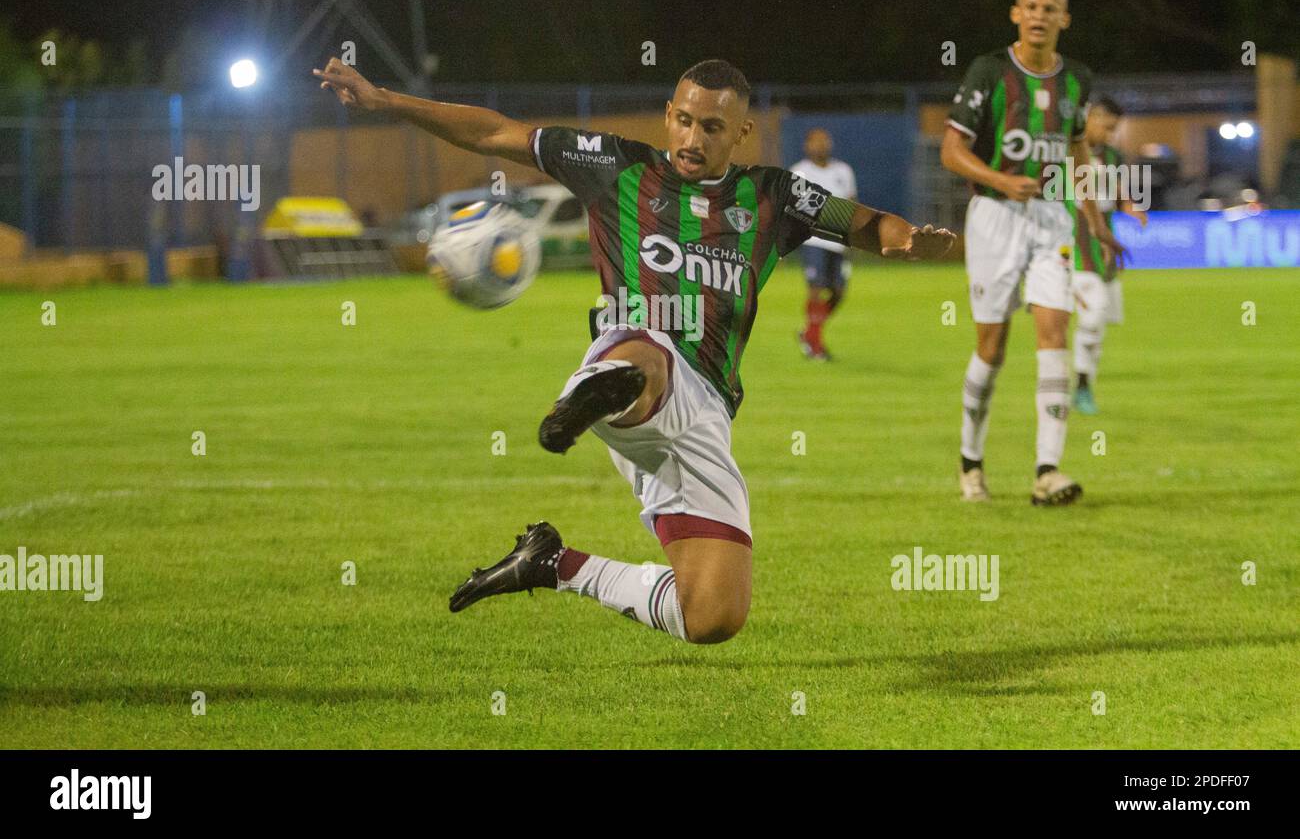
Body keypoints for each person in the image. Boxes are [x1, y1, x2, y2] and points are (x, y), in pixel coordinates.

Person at [316, 56, 954, 643]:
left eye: (711, 127)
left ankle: (551, 562)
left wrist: (909, 240)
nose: (691, 138)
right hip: (636, 353)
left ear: (741, 134)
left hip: (706, 411)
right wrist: (388, 101)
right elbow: (494, 134)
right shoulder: (613, 166)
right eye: (682, 119)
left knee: (711, 616)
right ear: (668, 115)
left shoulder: (772, 197)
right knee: (646, 355)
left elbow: (866, 223)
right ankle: (593, 392)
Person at [940, 0, 1123, 506]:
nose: (1040, 15)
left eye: (1052, 9)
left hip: (1051, 219)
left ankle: (1048, 470)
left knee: (1053, 335)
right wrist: (1000, 180)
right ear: (1016, 14)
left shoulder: (1078, 81)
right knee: (991, 348)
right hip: (996, 216)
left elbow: (1076, 154)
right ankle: (971, 462)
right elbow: (952, 151)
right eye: (1032, 7)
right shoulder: (989, 71)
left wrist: (1094, 219)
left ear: (1065, 20)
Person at [1070, 96, 1146, 414]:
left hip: (1105, 245)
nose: (1110, 134)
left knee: (1101, 321)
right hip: (1074, 245)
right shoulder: (1063, 152)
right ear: (1089, 117)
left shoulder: (1111, 155)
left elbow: (1115, 192)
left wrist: (1129, 205)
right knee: (1095, 311)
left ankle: (1082, 385)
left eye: (1115, 129)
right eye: (1107, 127)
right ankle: (1077, 386)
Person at [791, 128, 858, 360]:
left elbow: (851, 205)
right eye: (816, 142)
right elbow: (794, 208)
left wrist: (851, 237)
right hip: (814, 240)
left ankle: (810, 331)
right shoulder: (799, 172)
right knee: (816, 290)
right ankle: (815, 346)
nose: (821, 145)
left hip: (837, 242)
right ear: (807, 145)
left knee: (839, 292)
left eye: (824, 141)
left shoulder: (844, 171)